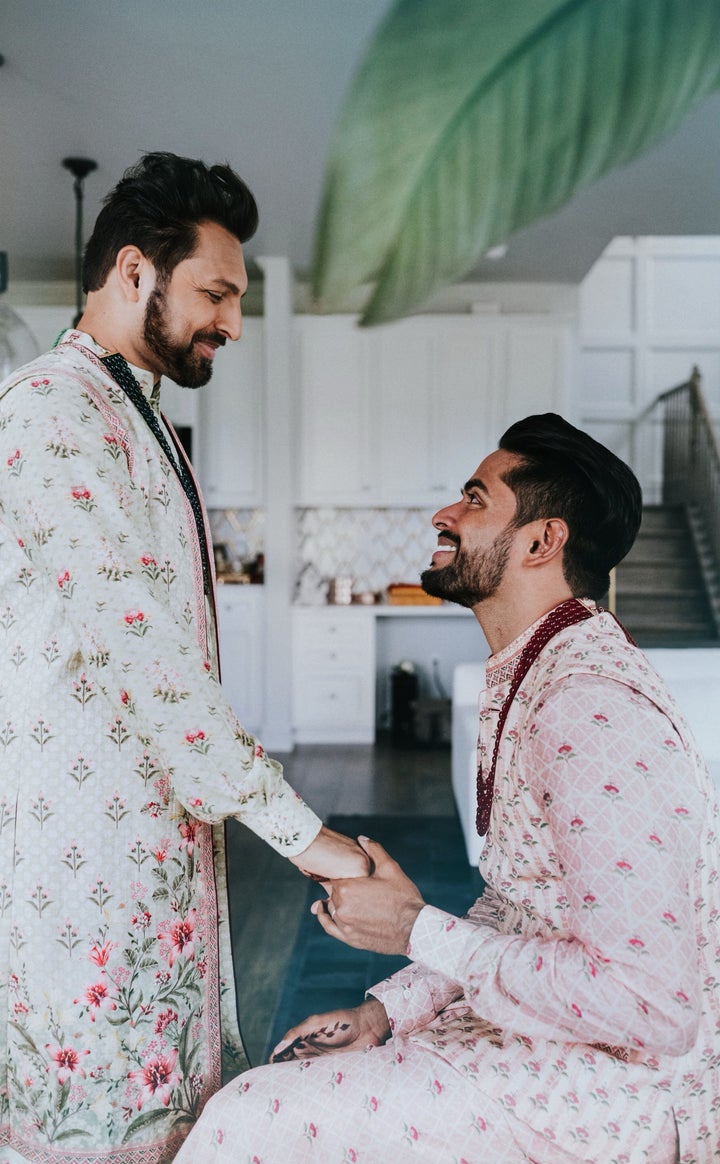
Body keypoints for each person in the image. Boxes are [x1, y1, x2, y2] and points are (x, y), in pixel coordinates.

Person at [177, 414, 720, 1164]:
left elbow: (653, 1004)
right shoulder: (537, 671)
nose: (444, 514)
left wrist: (415, 927)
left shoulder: (590, 705)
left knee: (248, 1118)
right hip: (536, 1046)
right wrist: (383, 1012)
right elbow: (521, 904)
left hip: (615, 1090)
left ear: (541, 541)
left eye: (474, 498)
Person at [0, 152, 367, 1163]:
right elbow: (141, 653)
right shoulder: (50, 412)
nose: (233, 323)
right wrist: (308, 839)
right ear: (133, 272)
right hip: (82, 861)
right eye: (216, 292)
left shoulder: (139, 413)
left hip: (153, 846)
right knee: (89, 1128)